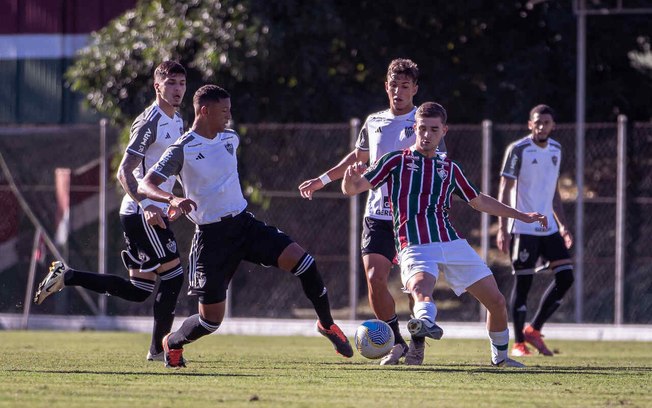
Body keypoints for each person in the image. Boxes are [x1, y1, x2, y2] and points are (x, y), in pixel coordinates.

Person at [138, 84, 353, 368]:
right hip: (211, 239)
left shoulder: (231, 138)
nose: (228, 116)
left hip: (244, 225)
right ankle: (172, 342)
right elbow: (146, 183)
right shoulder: (182, 148)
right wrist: (172, 198)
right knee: (210, 322)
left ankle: (326, 325)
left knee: (305, 263)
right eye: (223, 110)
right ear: (204, 111)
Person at [342, 102, 548, 367]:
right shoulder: (395, 161)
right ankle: (424, 323)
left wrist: (520, 215)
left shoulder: (449, 168)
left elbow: (479, 200)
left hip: (449, 241)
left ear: (443, 131)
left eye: (433, 129)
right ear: (414, 128)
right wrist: (348, 181)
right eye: (422, 128)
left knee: (496, 301)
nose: (427, 134)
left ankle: (500, 358)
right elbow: (354, 188)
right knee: (420, 289)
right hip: (413, 242)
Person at [34, 60, 188, 362]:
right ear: (157, 86)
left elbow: (173, 165)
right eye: (171, 83)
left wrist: (176, 198)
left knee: (139, 289)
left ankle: (67, 276)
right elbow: (124, 172)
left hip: (153, 209)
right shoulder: (150, 122)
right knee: (173, 277)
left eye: (182, 83)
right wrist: (146, 206)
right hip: (141, 212)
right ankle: (159, 350)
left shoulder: (179, 119)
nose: (178, 89)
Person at [298, 58, 445, 365]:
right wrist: (323, 179)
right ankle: (398, 342)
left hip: (412, 219)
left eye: (405, 86)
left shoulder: (424, 124)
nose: (398, 91)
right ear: (386, 86)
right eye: (394, 85)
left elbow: (436, 167)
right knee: (374, 277)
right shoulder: (374, 121)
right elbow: (359, 157)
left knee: (412, 284)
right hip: (377, 215)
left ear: (415, 89)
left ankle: (417, 344)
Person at [496, 104, 574, 357]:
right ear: (530, 124)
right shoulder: (518, 150)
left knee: (566, 277)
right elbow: (505, 188)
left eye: (546, 123)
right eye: (537, 122)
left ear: (553, 125)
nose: (541, 127)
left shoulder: (556, 149)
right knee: (524, 284)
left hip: (549, 229)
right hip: (523, 227)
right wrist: (503, 228)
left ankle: (534, 329)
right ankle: (518, 342)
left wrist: (563, 226)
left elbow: (553, 191)